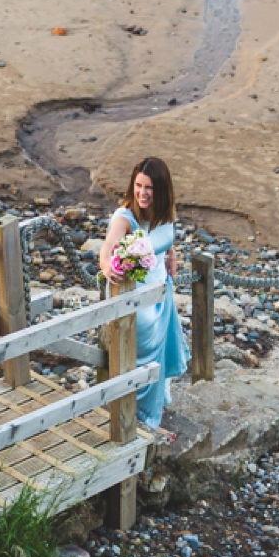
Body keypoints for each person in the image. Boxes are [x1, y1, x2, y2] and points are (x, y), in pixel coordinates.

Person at [100, 156, 189, 441]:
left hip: (160, 294)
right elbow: (111, 244)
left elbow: (161, 239)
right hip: (134, 300)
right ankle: (141, 419)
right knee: (141, 352)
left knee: (159, 354)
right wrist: (105, 264)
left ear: (161, 190)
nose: (142, 193)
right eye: (138, 185)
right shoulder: (125, 217)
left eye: (149, 187)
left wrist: (170, 251)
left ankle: (152, 413)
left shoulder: (163, 215)